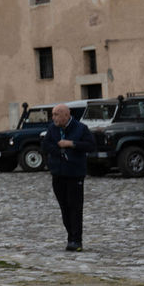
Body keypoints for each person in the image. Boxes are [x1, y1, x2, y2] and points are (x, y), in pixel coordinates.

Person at [42, 102, 89, 252]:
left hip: (75, 174)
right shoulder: (52, 129)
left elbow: (90, 145)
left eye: (56, 114)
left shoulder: (81, 128)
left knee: (75, 207)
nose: (53, 118)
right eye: (53, 114)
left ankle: (77, 240)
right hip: (58, 173)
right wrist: (59, 151)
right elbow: (45, 146)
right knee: (64, 207)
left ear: (66, 115)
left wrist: (71, 144)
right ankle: (70, 237)